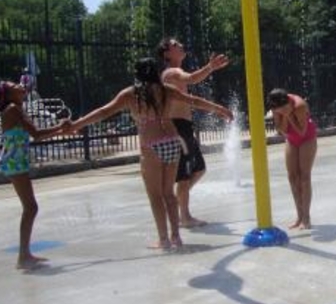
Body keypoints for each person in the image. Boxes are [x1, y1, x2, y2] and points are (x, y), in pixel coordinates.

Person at [69, 57, 233, 249]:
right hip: (172, 143)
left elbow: (104, 112)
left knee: (155, 196)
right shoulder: (166, 90)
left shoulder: (131, 94)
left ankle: (163, 240)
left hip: (151, 146)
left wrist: (76, 125)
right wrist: (219, 109)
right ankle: (176, 237)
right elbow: (193, 101)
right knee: (169, 194)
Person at [0, 80, 69, 269]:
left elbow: (36, 134)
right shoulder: (13, 109)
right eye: (15, 86)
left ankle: (25, 254)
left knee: (30, 207)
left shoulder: (16, 108)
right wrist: (61, 127)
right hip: (14, 161)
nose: (20, 86)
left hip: (16, 160)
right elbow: (36, 134)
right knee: (30, 207)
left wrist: (61, 129)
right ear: (9, 94)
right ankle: (23, 256)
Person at [157, 37, 230, 228]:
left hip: (185, 127)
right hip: (178, 127)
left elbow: (190, 96)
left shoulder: (174, 72)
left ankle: (175, 203)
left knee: (198, 169)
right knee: (184, 176)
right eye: (175, 45)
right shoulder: (171, 72)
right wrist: (210, 67)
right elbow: (191, 79)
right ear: (166, 54)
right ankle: (185, 216)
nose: (181, 45)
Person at [267, 88, 318, 230]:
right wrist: (284, 115)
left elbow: (302, 132)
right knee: (292, 177)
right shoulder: (277, 107)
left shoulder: (299, 105)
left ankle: (306, 218)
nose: (280, 111)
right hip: (291, 139)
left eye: (283, 108)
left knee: (304, 176)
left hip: (307, 138)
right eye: (277, 110)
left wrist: (289, 116)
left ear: (288, 102)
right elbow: (280, 130)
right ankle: (299, 215)